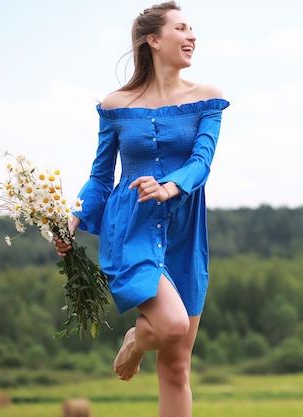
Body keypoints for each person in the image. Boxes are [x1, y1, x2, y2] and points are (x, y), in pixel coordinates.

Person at [54, 2, 228, 416]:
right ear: (153, 39)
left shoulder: (208, 99)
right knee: (170, 325)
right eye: (182, 28)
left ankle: (141, 342)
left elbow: (202, 162)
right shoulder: (116, 105)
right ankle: (136, 339)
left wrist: (170, 187)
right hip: (130, 228)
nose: (192, 36)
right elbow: (100, 177)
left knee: (176, 367)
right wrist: (74, 217)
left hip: (185, 233)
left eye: (193, 29)